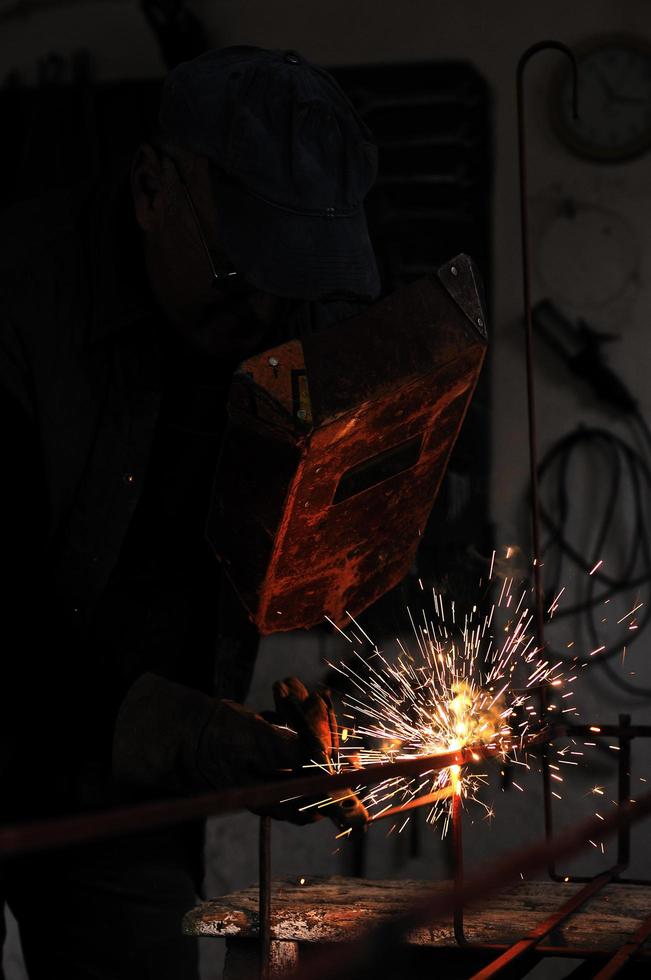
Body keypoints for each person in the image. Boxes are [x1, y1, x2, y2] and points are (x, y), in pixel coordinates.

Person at [0, 46, 379, 979]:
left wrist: (245, 732)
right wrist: (184, 731)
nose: (262, 313)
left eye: (289, 282)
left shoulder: (265, 325)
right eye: (236, 271)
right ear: (149, 189)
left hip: (114, 788)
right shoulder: (15, 304)